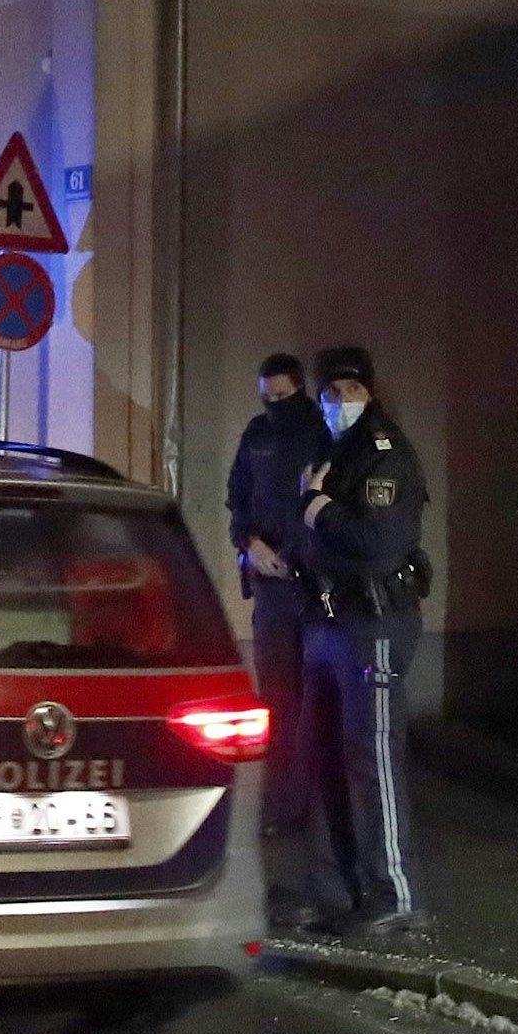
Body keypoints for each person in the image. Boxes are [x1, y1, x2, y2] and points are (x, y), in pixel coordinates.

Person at [291, 346, 432, 939]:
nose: (338, 404)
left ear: (369, 393)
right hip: (327, 621)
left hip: (373, 624)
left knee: (372, 755)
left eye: (349, 393)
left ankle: (394, 891)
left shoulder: (385, 454)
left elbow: (376, 542)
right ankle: (330, 885)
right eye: (329, 394)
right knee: (323, 755)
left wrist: (319, 508)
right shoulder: (332, 451)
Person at [224, 353, 323, 837]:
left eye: (283, 396)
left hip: (313, 585)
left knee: (313, 700)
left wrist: (299, 553)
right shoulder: (257, 435)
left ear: (300, 389)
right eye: (267, 397)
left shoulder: (320, 434)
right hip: (271, 588)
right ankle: (282, 805)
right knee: (278, 699)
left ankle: (313, 805)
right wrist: (250, 543)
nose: (274, 405)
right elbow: (237, 500)